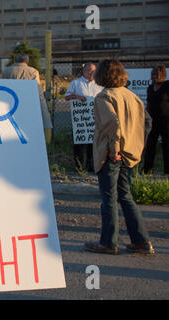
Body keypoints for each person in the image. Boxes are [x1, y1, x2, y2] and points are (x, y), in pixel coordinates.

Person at [84, 59, 154, 255]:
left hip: (111, 155)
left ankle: (108, 243)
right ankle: (141, 241)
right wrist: (137, 145)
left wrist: (114, 150)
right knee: (126, 196)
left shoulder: (104, 97)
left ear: (102, 76)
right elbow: (147, 122)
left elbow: (113, 125)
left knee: (109, 199)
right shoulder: (132, 96)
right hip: (130, 155)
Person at [2, 54, 52, 142]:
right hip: (28, 104)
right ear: (27, 61)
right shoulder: (33, 72)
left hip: (10, 104)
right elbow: (38, 91)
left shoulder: (6, 71)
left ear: (15, 60)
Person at [64, 63, 104, 172]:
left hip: (95, 118)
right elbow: (67, 97)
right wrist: (77, 97)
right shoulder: (76, 83)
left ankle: (91, 166)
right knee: (79, 144)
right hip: (80, 121)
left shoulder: (100, 84)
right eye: (89, 71)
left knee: (93, 144)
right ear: (84, 71)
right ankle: (79, 167)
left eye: (93, 71)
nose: (91, 73)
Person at [142, 65, 169, 175]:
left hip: (166, 121)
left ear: (162, 75)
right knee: (150, 145)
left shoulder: (167, 86)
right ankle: (147, 170)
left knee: (167, 145)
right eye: (152, 74)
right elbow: (148, 104)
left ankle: (167, 171)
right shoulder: (150, 88)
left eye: (156, 74)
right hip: (152, 121)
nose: (153, 76)